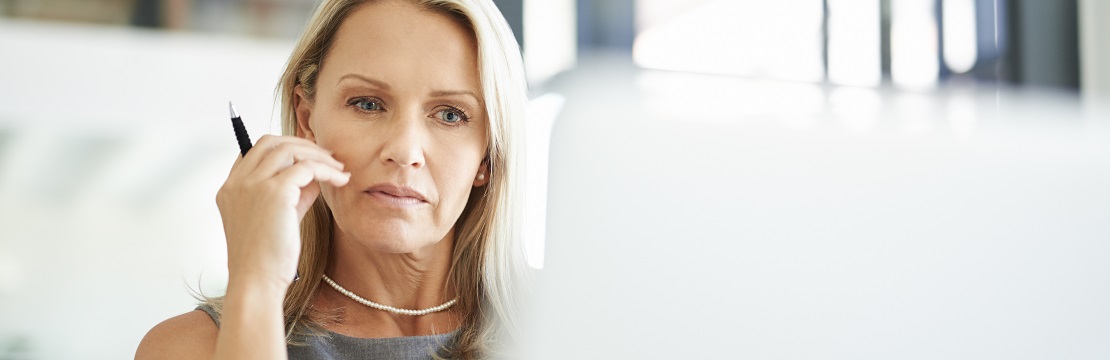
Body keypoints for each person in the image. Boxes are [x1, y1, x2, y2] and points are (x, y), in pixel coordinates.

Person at [135, 0, 530, 358]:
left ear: (488, 155)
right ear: (307, 121)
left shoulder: (566, 330)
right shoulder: (190, 348)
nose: (405, 151)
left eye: (450, 115)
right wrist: (255, 282)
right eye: (368, 104)